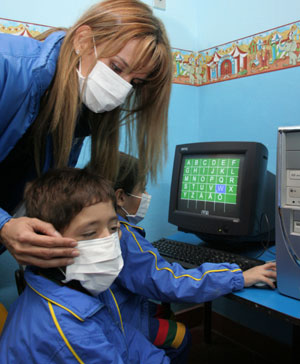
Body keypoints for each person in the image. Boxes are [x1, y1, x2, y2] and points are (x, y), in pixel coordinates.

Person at [0, 0, 172, 269]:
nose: (122, 89)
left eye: (135, 82)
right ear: (82, 40)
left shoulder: (82, 112)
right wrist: (4, 225)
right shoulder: (7, 66)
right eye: (116, 67)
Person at [111, 152, 277, 363]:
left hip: (117, 314)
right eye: (141, 189)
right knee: (180, 336)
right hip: (123, 325)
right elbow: (172, 283)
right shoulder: (125, 238)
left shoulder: (108, 231)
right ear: (120, 197)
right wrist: (239, 276)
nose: (145, 195)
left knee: (162, 310)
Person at [0, 167, 170, 363]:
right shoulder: (72, 333)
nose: (110, 241)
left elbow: (124, 339)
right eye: (89, 233)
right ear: (46, 240)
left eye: (114, 227)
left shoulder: (82, 285)